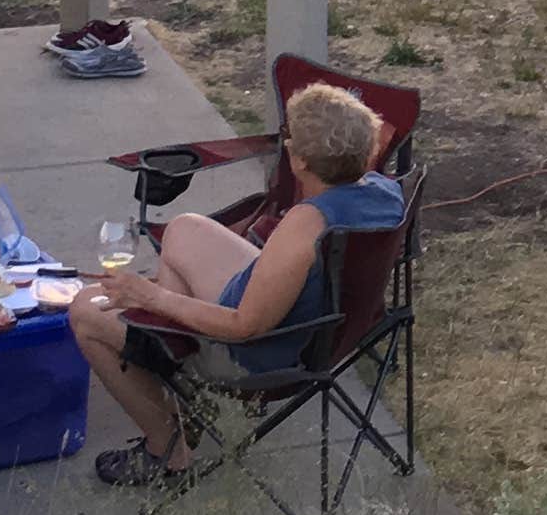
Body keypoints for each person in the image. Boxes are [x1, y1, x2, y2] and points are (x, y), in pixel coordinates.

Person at [69, 79, 404, 486]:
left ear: (300, 161)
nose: (286, 145)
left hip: (260, 354)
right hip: (318, 321)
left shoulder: (307, 225)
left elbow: (244, 326)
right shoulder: (385, 192)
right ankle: (171, 378)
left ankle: (168, 448)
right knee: (183, 229)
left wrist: (152, 296)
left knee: (85, 311)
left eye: (289, 140)